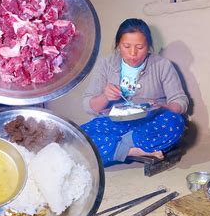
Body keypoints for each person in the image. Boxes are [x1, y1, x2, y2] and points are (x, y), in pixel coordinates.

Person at [81, 18, 188, 167]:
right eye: (126, 46)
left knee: (174, 123)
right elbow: (89, 106)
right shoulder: (106, 64)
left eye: (140, 47)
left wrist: (162, 107)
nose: (133, 53)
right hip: (115, 124)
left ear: (148, 46)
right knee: (80, 138)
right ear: (118, 45)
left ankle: (116, 148)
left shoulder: (162, 65)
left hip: (150, 123)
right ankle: (134, 150)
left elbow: (181, 102)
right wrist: (105, 96)